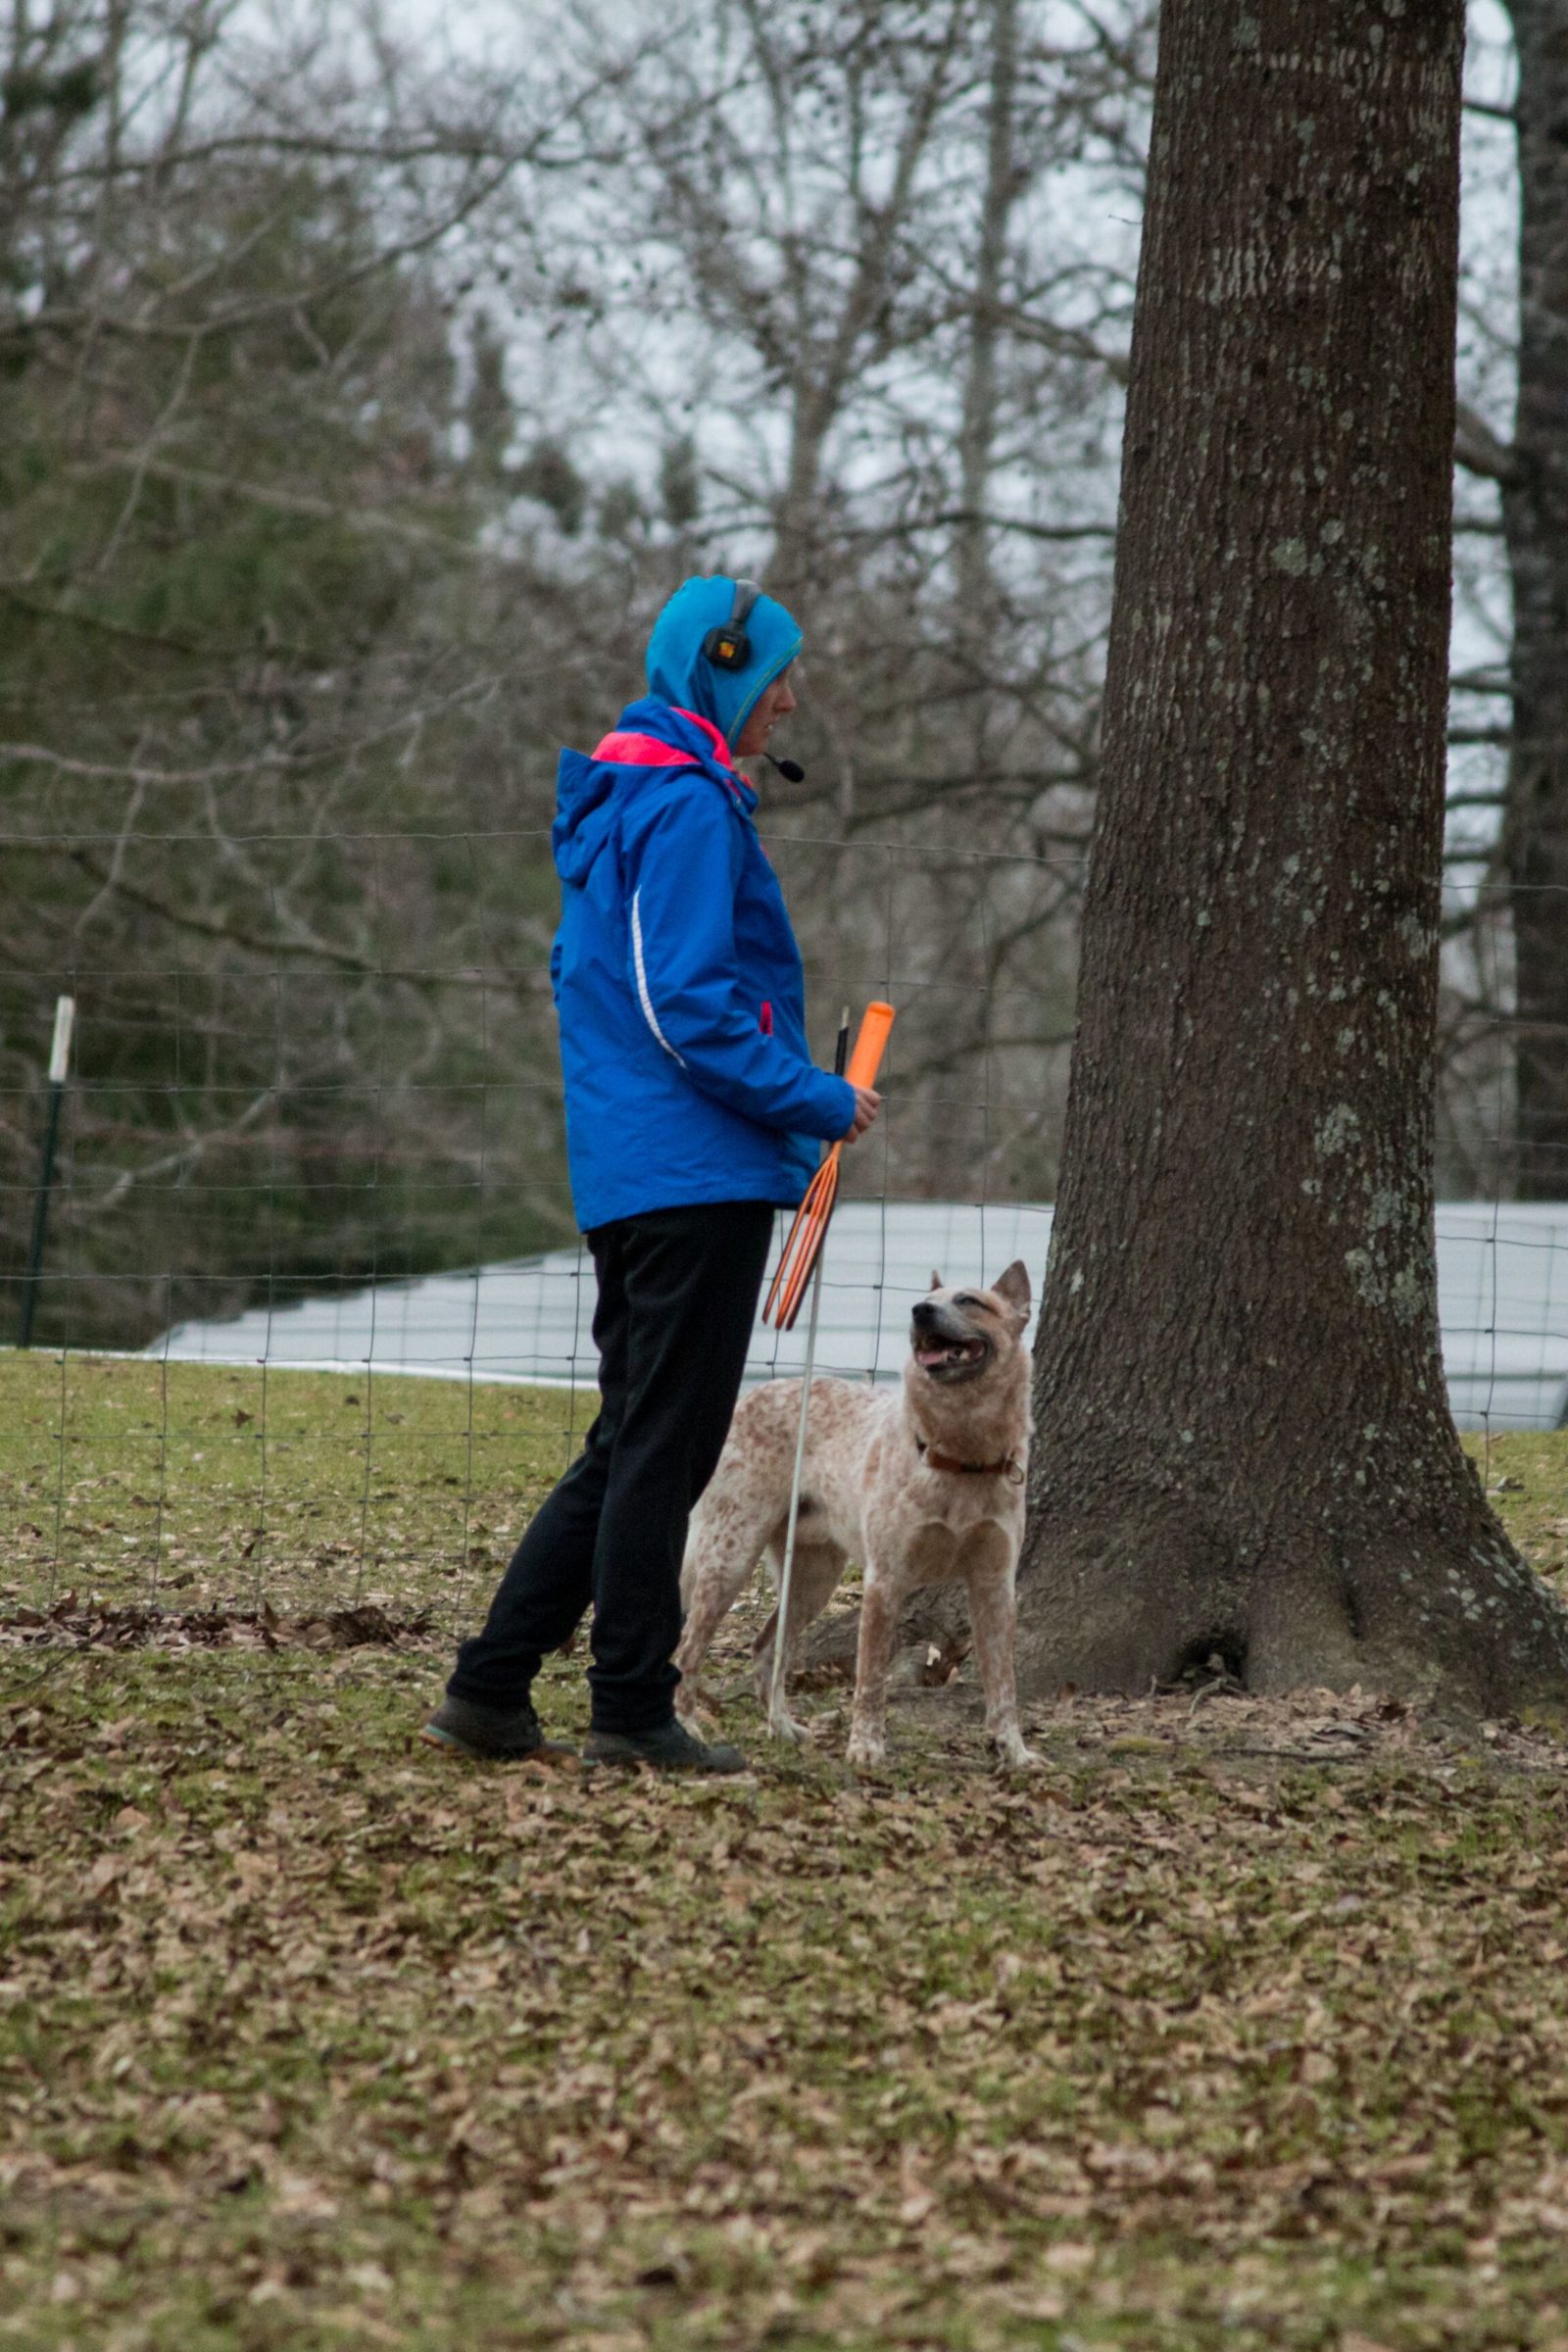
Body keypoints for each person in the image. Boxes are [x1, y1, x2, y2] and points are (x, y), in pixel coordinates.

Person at [422, 576, 880, 1773]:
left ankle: (489, 1688)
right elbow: (686, 1009)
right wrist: (816, 1096)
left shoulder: (638, 806)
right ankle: (631, 1708)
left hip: (646, 1171)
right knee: (663, 1450)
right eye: (776, 676)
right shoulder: (682, 810)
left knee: (631, 1441)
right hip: (691, 1174)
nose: (789, 700)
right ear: (722, 674)